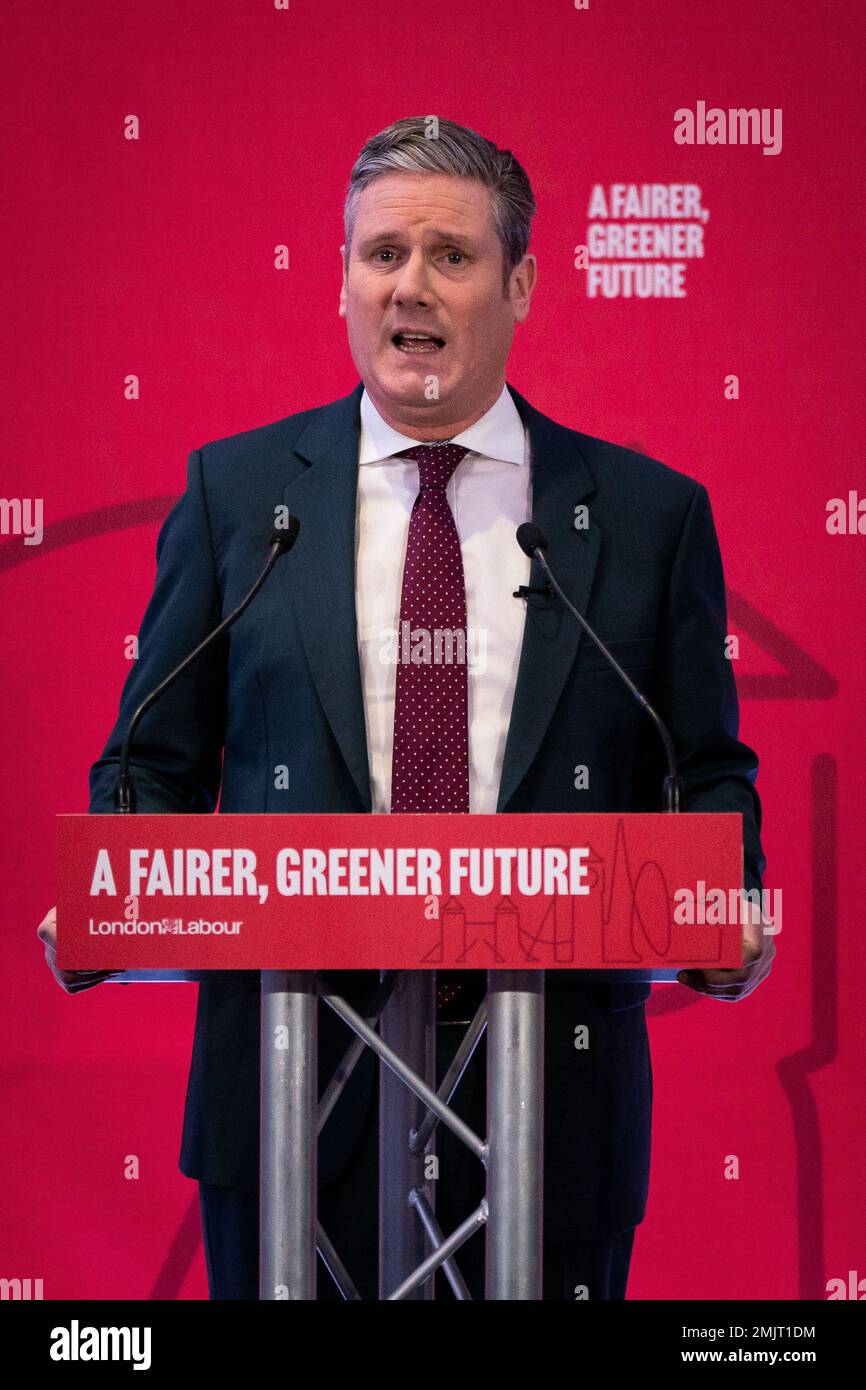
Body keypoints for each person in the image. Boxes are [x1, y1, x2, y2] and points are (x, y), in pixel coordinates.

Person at [37, 115, 775, 1300]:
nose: (408, 287)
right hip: (284, 1098)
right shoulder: (238, 496)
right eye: (381, 254)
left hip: (552, 1104)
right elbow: (151, 754)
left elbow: (703, 766)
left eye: (450, 255)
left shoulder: (644, 516)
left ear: (521, 283)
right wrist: (111, 885)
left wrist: (728, 899)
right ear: (340, 281)